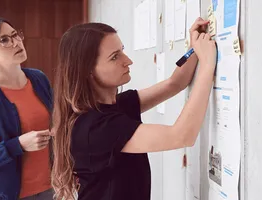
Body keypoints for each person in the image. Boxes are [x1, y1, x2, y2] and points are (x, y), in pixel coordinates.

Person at [51, 17, 217, 200]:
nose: (128, 61)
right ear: (88, 71)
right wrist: (207, 65)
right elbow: (182, 136)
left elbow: (175, 83)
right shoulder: (95, 127)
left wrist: (194, 49)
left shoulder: (118, 104)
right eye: (114, 57)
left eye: (122, 51)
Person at [0, 17, 54, 200]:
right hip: (5, 195)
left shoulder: (39, 79)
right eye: (4, 40)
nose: (16, 42)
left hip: (50, 188)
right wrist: (17, 145)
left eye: (15, 35)